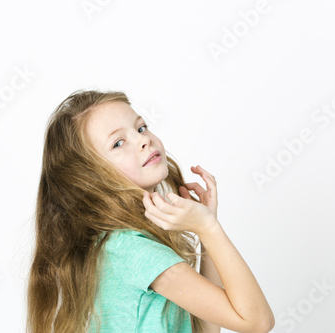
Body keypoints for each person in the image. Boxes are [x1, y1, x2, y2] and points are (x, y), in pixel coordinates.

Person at [26, 89, 275, 333]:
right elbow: (257, 323)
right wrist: (209, 229)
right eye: (118, 143)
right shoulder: (133, 251)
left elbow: (205, 328)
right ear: (89, 178)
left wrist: (207, 232)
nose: (144, 140)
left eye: (141, 127)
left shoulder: (118, 245)